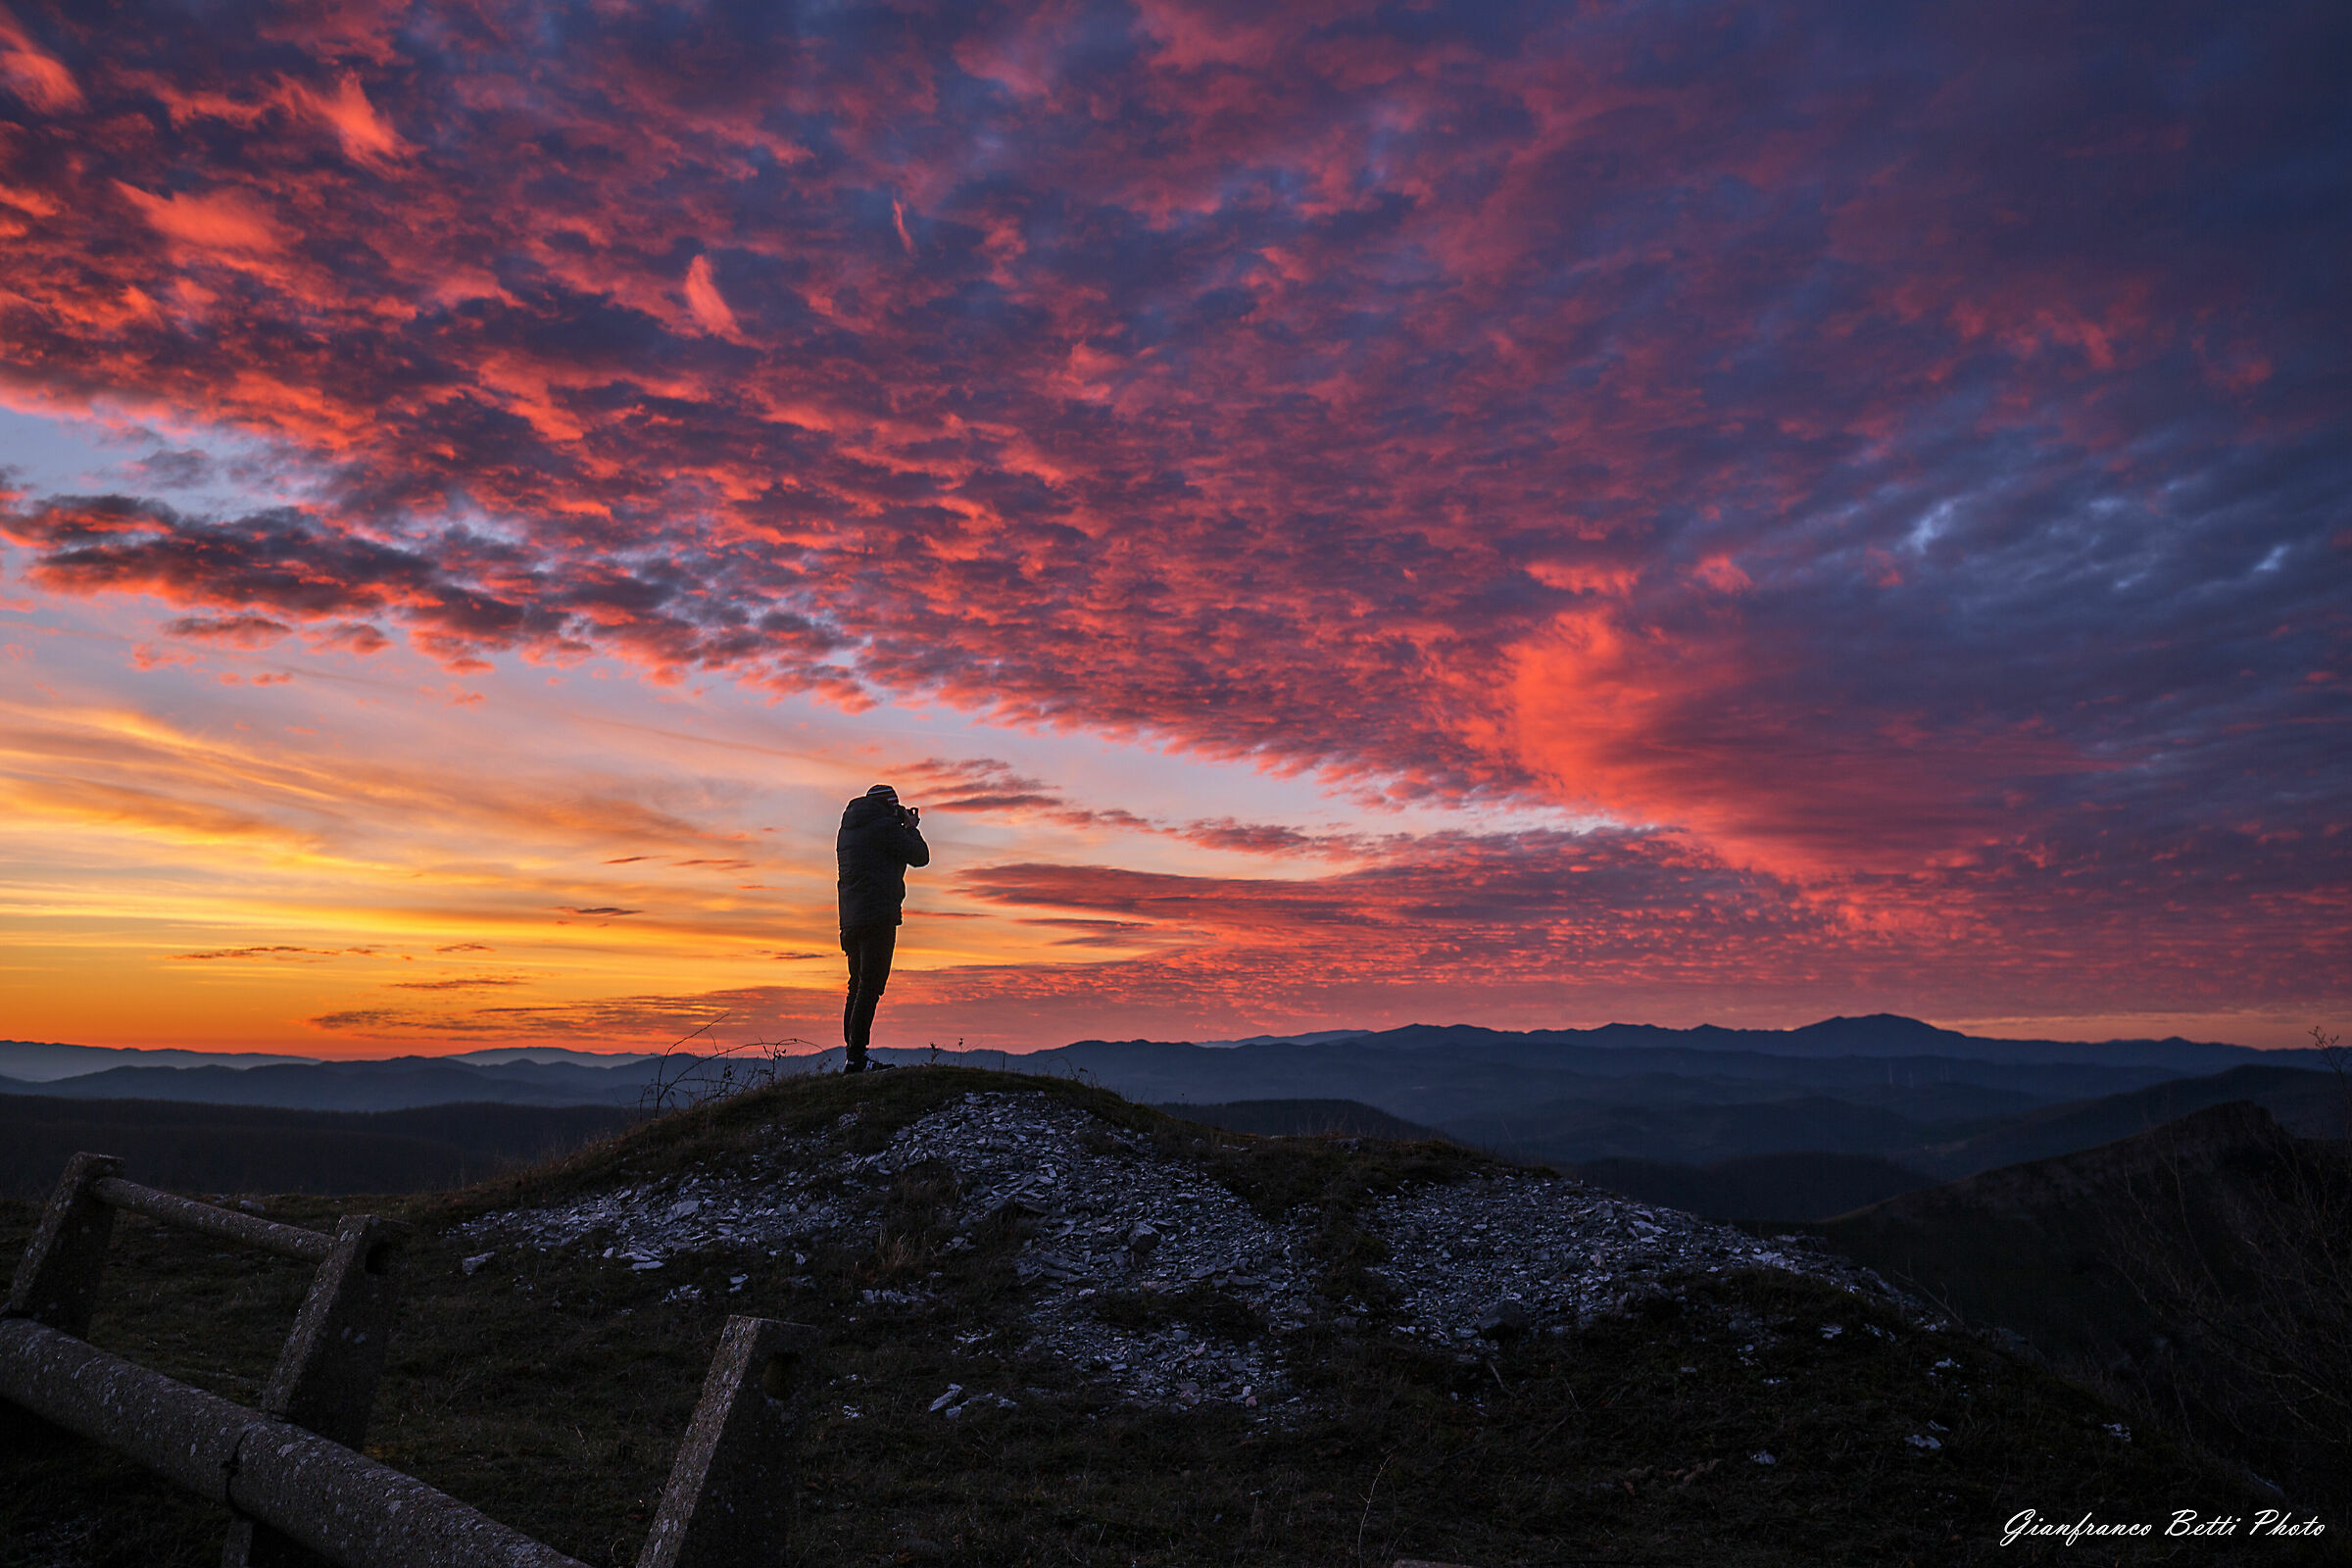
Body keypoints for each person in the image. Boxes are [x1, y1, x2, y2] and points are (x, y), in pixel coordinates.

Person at [836, 783, 929, 1072]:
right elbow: (920, 856)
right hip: (878, 916)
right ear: (889, 806)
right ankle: (857, 1057)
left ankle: (853, 1056)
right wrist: (910, 828)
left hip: (850, 918)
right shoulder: (885, 828)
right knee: (871, 986)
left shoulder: (848, 829)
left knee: (856, 985)